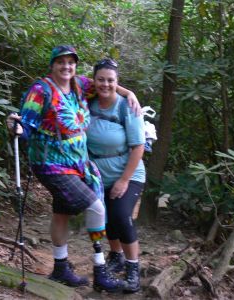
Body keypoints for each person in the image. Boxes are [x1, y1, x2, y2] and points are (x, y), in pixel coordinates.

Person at [7, 45, 140, 293]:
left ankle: (60, 268)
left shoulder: (79, 84)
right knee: (97, 208)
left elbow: (105, 83)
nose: (66, 67)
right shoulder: (41, 90)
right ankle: (100, 271)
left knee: (62, 214)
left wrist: (128, 92)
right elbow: (27, 124)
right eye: (61, 62)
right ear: (52, 65)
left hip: (78, 163)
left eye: (71, 62)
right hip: (50, 164)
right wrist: (16, 127)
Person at [86, 58, 145, 293]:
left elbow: (138, 147)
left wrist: (124, 180)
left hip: (129, 173)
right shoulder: (87, 102)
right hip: (99, 175)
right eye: (101, 79)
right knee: (105, 218)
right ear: (94, 81)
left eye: (111, 80)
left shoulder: (126, 107)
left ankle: (133, 268)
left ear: (117, 82)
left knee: (121, 216)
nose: (106, 84)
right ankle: (116, 255)